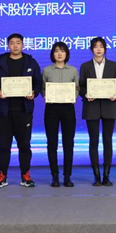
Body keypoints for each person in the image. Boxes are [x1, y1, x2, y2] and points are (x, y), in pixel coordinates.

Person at [0, 33, 43, 188]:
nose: (15, 46)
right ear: (8, 45)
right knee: (3, 145)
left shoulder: (31, 62)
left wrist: (34, 92)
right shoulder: (0, 62)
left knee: (24, 144)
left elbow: (38, 82)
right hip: (5, 111)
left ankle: (25, 175)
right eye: (12, 43)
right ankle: (2, 175)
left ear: (23, 45)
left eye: (18, 43)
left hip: (24, 110)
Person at [78, 37, 116, 186]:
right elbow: (81, 86)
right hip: (91, 107)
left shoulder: (113, 65)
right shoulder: (85, 66)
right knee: (94, 141)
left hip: (109, 107)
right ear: (91, 49)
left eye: (101, 46)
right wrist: (86, 94)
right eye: (96, 46)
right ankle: (96, 175)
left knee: (108, 141)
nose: (98, 49)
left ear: (105, 49)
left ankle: (106, 175)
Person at [41, 41, 80, 187]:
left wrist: (73, 96)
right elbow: (43, 88)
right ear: (52, 53)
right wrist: (46, 95)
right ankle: (55, 176)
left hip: (68, 108)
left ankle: (67, 176)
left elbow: (77, 88)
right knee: (52, 142)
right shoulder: (46, 70)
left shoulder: (73, 70)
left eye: (62, 51)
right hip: (51, 108)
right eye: (56, 51)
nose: (59, 54)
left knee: (68, 143)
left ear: (66, 54)